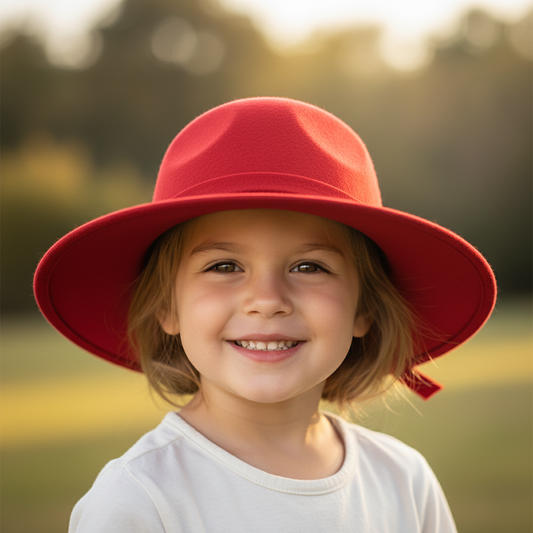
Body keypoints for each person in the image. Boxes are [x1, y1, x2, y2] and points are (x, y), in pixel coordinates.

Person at [34, 97, 496, 532]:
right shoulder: (139, 499)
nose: (267, 298)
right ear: (166, 307)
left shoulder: (404, 482)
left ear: (365, 309)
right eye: (224, 266)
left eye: (309, 266)